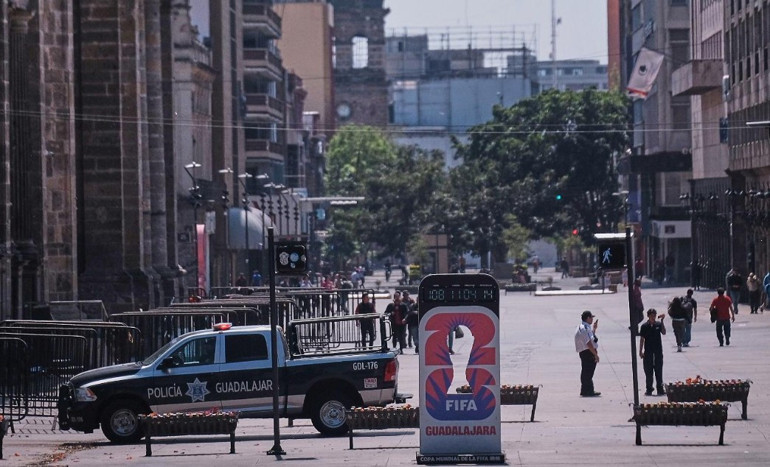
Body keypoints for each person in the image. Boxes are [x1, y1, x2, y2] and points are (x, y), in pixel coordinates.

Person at [639, 309, 666, 396]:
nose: (653, 317)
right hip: (648, 352)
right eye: (651, 316)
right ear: (648, 316)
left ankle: (660, 388)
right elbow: (642, 339)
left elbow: (664, 332)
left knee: (659, 371)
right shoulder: (644, 326)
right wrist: (640, 351)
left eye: (654, 315)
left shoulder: (658, 324)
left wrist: (662, 321)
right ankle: (649, 389)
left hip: (658, 352)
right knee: (648, 372)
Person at [574, 310, 600, 397]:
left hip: (585, 352)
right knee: (588, 372)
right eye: (591, 318)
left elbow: (591, 338)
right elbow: (588, 343)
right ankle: (588, 391)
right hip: (588, 352)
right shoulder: (584, 328)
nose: (592, 319)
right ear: (588, 318)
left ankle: (586, 390)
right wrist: (595, 354)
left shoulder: (583, 327)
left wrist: (594, 329)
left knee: (586, 371)